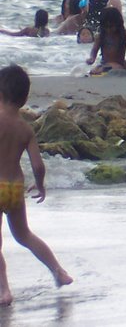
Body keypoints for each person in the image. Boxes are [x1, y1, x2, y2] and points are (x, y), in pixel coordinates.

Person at [0, 65, 73, 303]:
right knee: (24, 235)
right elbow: (38, 166)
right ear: (25, 97)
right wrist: (40, 185)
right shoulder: (26, 129)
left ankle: (4, 291)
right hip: (15, 189)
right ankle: (58, 271)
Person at [86, 7, 126, 75]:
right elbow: (94, 51)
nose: (108, 29)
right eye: (106, 27)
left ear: (118, 24)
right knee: (99, 70)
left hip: (121, 64)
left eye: (111, 26)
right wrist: (91, 59)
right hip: (105, 65)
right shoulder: (100, 36)